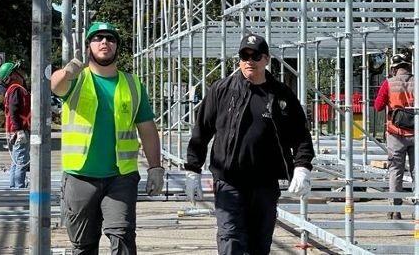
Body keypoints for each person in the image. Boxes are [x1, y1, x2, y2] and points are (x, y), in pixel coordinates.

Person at [184, 33, 315, 255]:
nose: (249, 61)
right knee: (230, 237)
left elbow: (301, 134)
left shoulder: (281, 95)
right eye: (244, 56)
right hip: (229, 181)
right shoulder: (222, 90)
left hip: (265, 183)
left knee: (259, 242)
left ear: (266, 59)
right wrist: (192, 170)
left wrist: (302, 167)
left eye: (255, 56)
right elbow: (201, 131)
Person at [50, 22, 163, 255]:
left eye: (110, 38)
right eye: (97, 38)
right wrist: (69, 71)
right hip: (80, 175)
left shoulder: (133, 84)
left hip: (120, 176)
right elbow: (56, 86)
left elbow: (147, 129)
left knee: (122, 235)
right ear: (89, 46)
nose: (104, 42)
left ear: (117, 47)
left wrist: (155, 168)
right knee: (83, 244)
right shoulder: (77, 80)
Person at [373, 52, 415, 220]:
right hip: (416, 132)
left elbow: (377, 106)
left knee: (395, 170)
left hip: (395, 133)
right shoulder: (417, 82)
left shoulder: (388, 83)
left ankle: (394, 209)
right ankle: (417, 209)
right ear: (409, 66)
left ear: (393, 68)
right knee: (416, 171)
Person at [0, 60, 31, 188]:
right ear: (12, 75)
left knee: (16, 161)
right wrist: (19, 130)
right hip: (19, 131)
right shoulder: (16, 90)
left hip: (16, 130)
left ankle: (14, 188)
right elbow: (13, 111)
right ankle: (19, 188)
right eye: (18, 70)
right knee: (21, 162)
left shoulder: (14, 89)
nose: (22, 72)